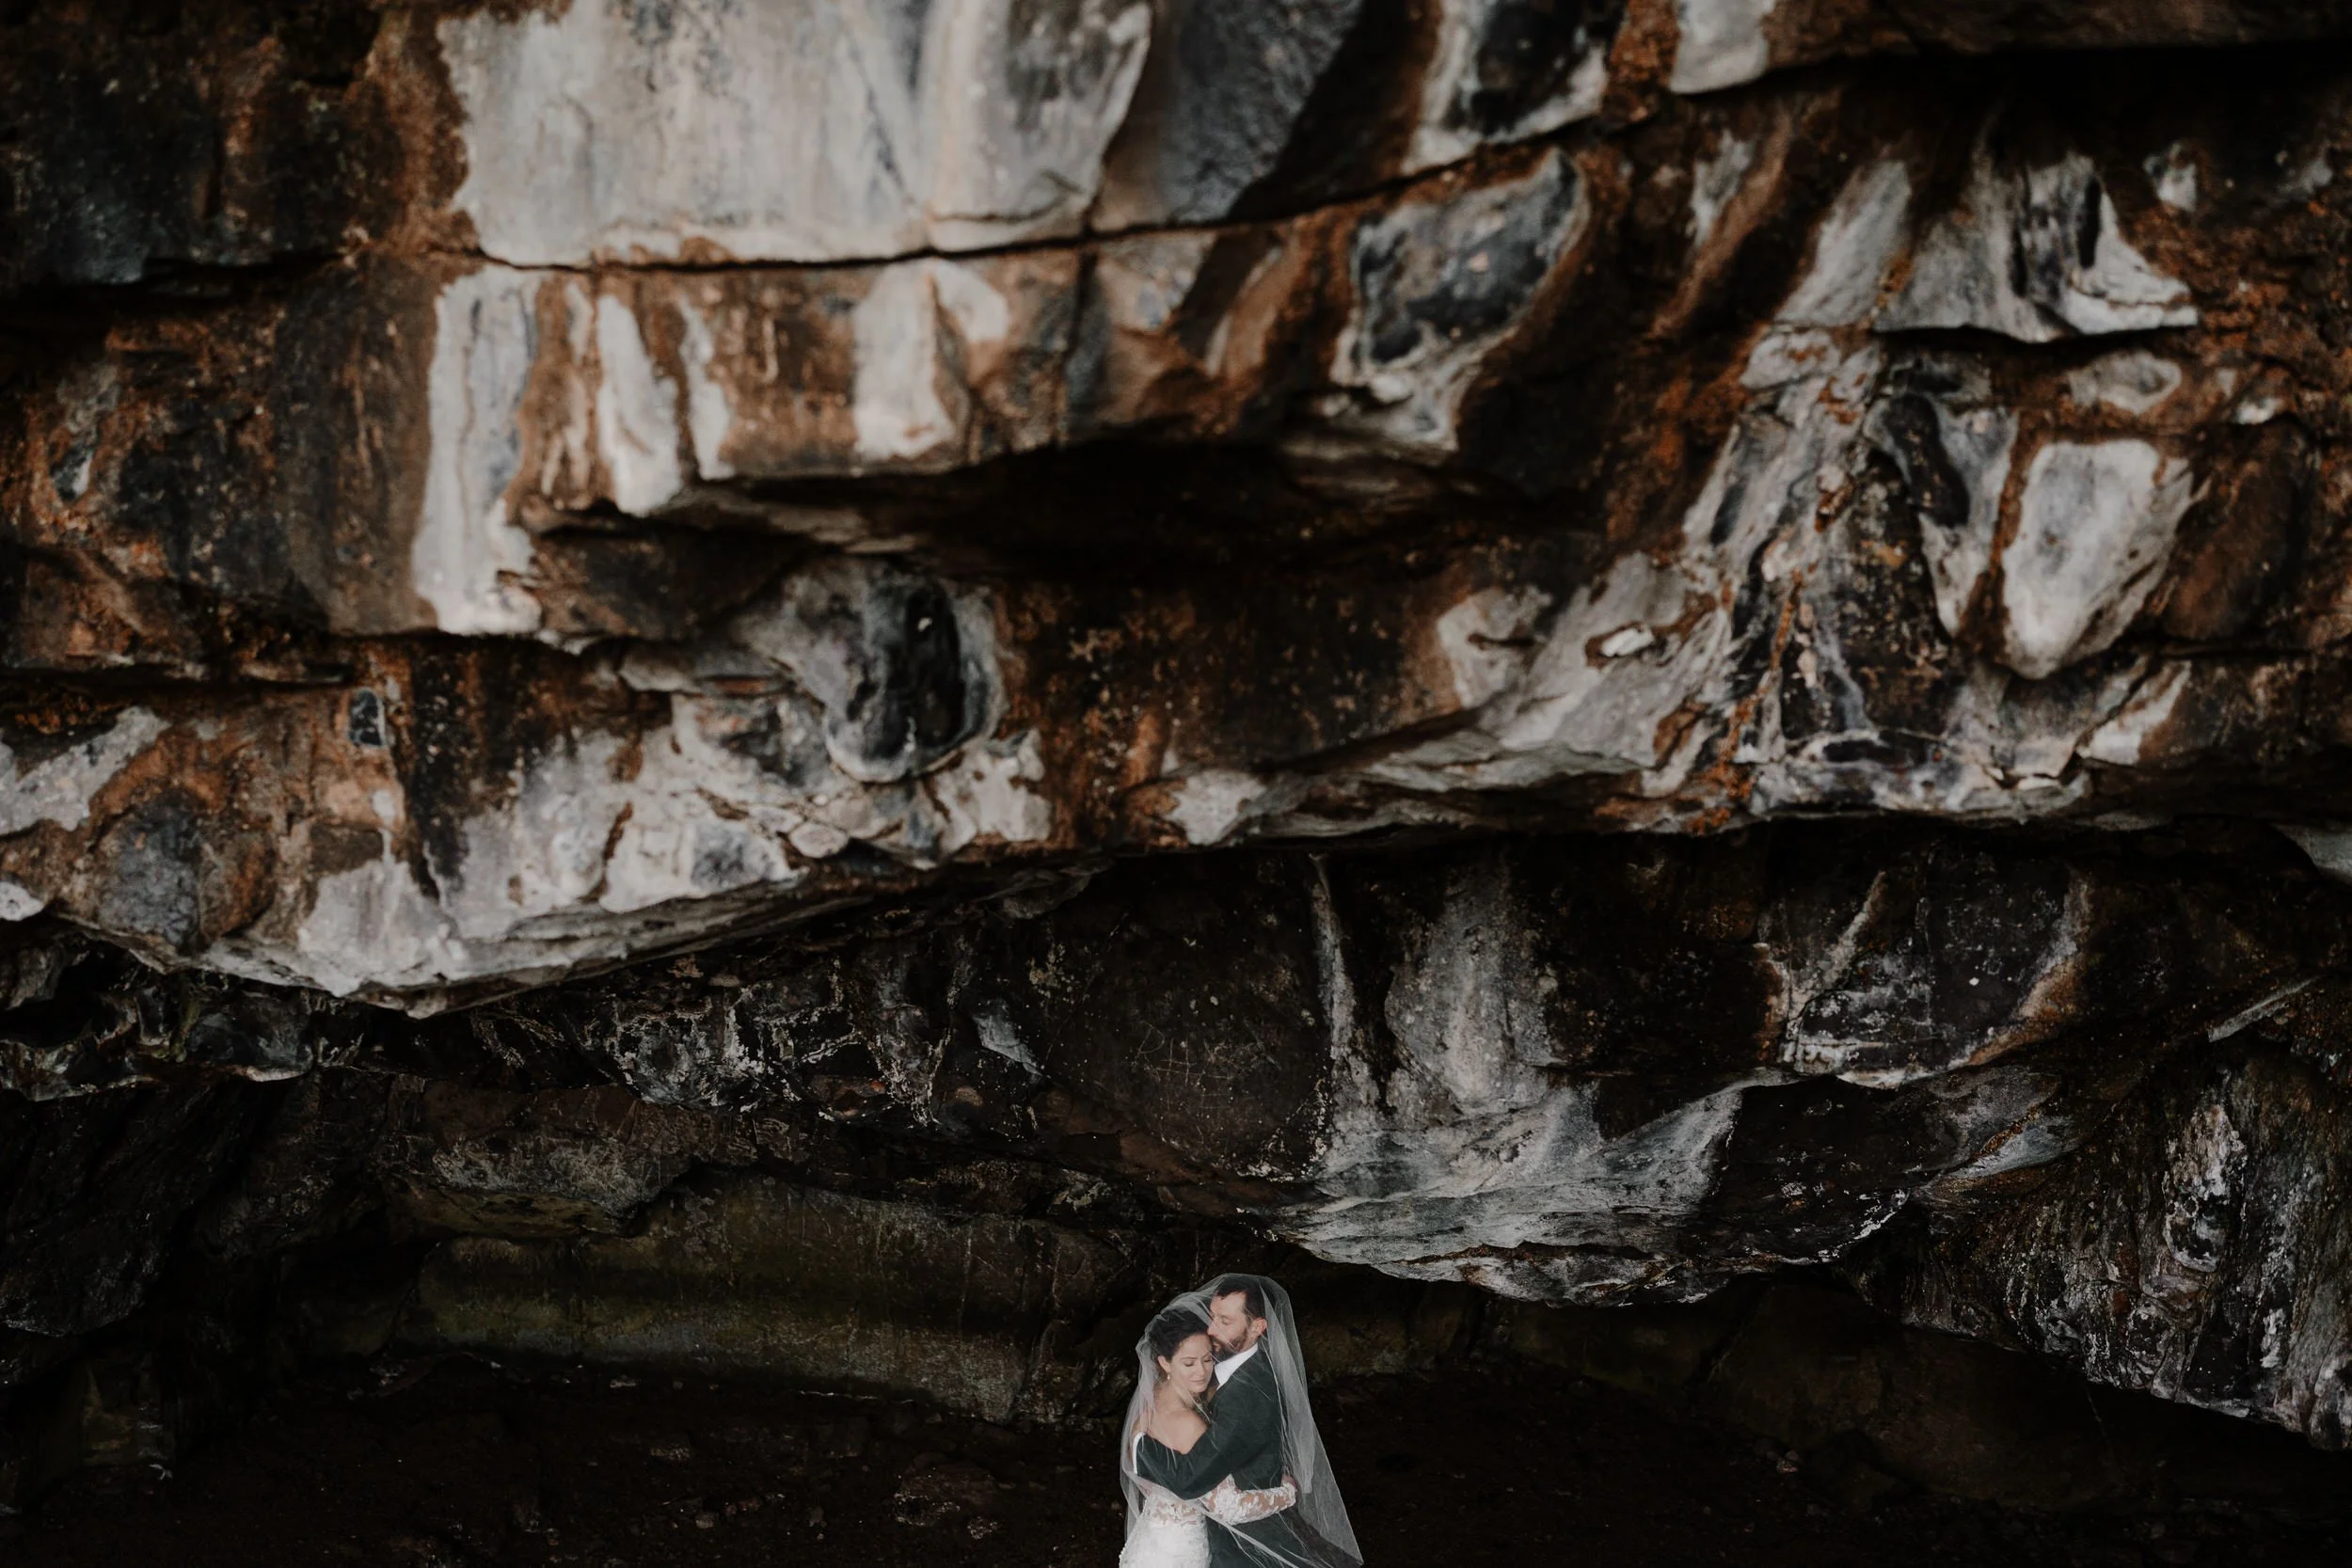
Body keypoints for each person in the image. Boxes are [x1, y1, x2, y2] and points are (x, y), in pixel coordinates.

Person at [1118, 1275, 1361, 1568]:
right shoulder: (1200, 1391)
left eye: (1224, 1320)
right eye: (1212, 1317)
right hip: (1184, 1544)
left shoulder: (1247, 1394)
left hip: (1223, 1543)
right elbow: (1195, 1486)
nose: (1211, 1329)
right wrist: (1287, 1492)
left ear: (1257, 1327)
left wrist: (1141, 1450)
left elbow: (1187, 1480)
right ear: (1165, 1363)